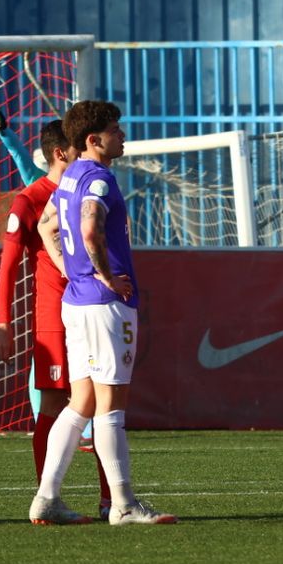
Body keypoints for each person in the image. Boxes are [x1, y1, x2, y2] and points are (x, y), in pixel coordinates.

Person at [29, 99, 176, 526]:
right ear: (94, 140)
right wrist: (106, 276)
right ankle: (124, 504)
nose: (123, 135)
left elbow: (47, 226)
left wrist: (71, 272)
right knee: (111, 407)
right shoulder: (98, 179)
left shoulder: (70, 175)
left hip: (76, 303)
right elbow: (90, 227)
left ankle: (47, 498)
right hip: (105, 306)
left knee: (80, 405)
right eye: (116, 129)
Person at [0, 120, 109, 517]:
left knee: (104, 398)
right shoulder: (30, 199)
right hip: (56, 317)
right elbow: (7, 267)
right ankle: (50, 498)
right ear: (63, 153)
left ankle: (112, 498)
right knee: (56, 403)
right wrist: (3, 323)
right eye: (78, 147)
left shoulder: (84, 190)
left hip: (91, 307)